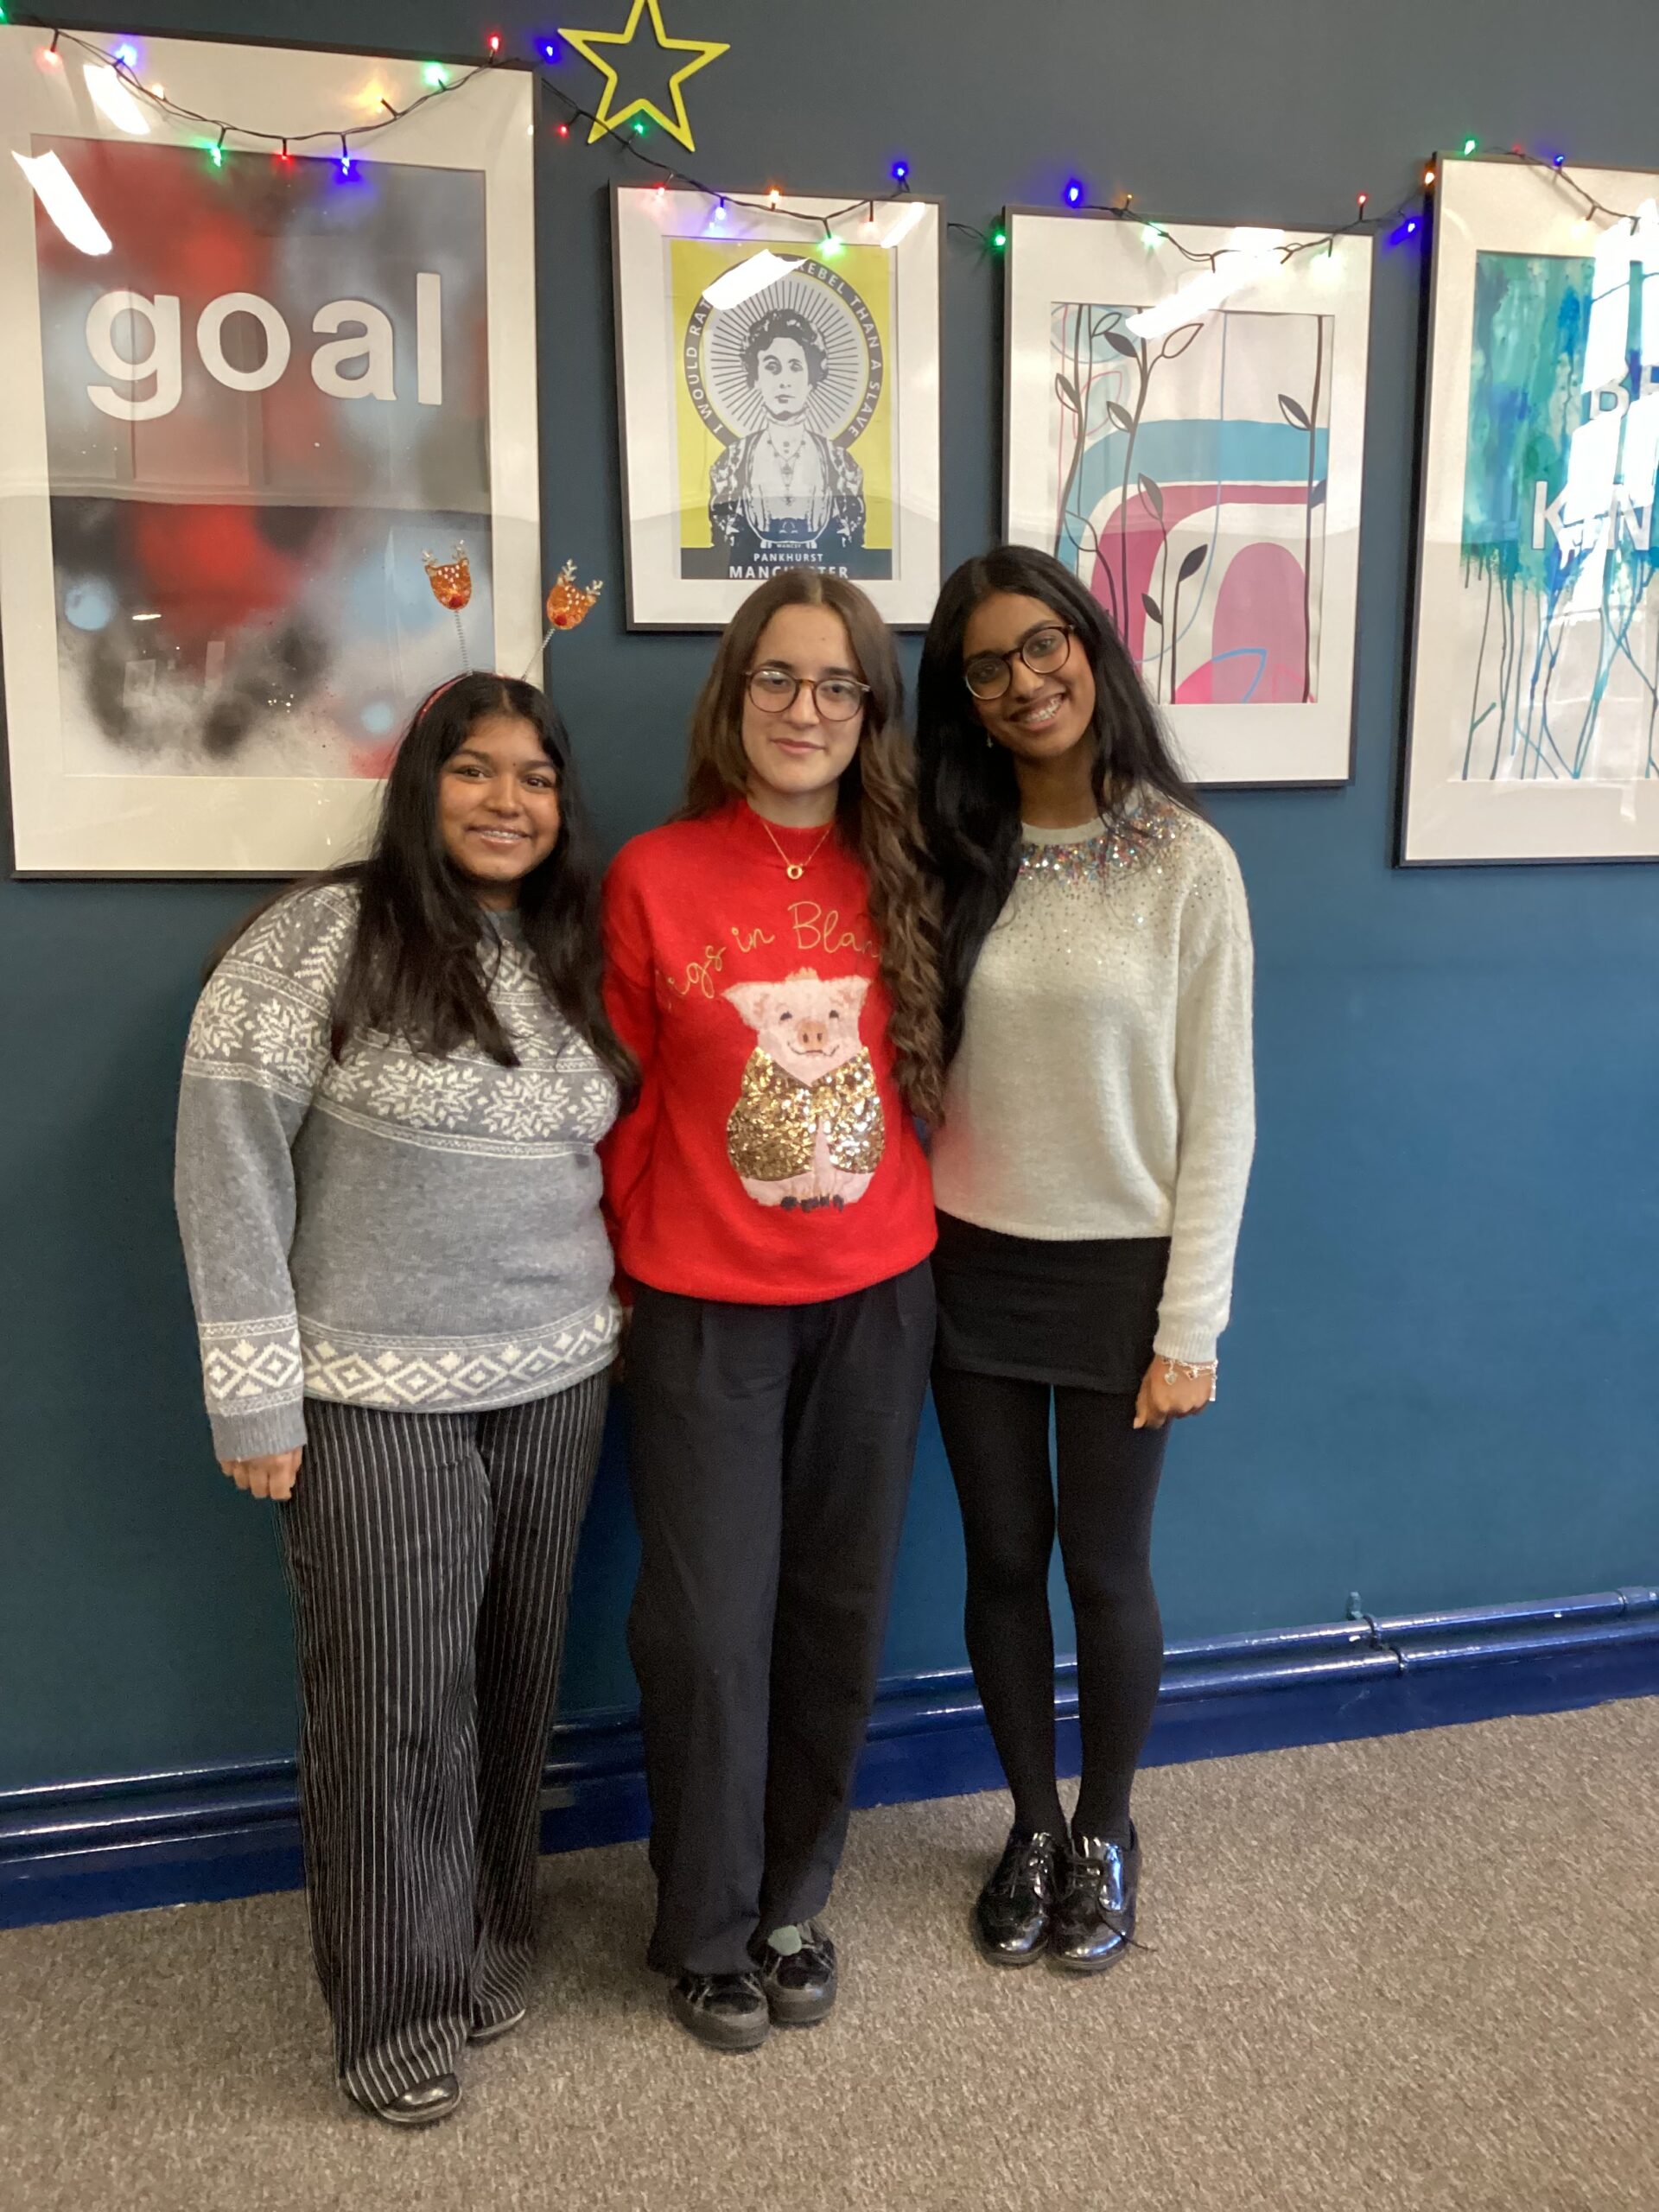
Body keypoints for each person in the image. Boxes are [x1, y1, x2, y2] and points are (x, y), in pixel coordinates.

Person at [175, 673, 632, 2126]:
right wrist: (255, 1396)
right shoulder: (323, 936)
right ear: (422, 784)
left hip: (561, 1378)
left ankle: (482, 1943)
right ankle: (395, 2010)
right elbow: (227, 1156)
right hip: (369, 1393)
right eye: (475, 770)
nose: (509, 801)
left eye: (536, 778)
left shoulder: (575, 947)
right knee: (390, 1708)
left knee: (513, 1680)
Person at [601, 566, 941, 2051]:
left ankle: (795, 1898)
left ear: (872, 712)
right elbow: (614, 1100)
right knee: (704, 1629)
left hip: (880, 1298)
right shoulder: (653, 875)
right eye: (779, 678)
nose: (807, 709)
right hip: (701, 1307)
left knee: (837, 1611)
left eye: (837, 684)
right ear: (735, 695)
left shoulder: (914, 871)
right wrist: (618, 1270)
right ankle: (706, 1926)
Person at [915, 545, 1254, 1974]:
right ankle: (1034, 1826)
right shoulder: (948, 852)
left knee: (1105, 1569)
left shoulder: (1184, 859)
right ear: (966, 700)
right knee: (1003, 1559)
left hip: (1123, 1274)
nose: (1024, 681)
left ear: (1090, 647)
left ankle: (1107, 1831)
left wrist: (1193, 1325)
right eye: (987, 667)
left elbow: (1222, 1109)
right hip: (967, 1268)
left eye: (1042, 645)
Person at [708, 308, 866, 575]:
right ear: (755, 378)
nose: (784, 382)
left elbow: (854, 558)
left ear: (811, 379)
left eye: (795, 367)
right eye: (772, 367)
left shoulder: (843, 466)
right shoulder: (729, 465)